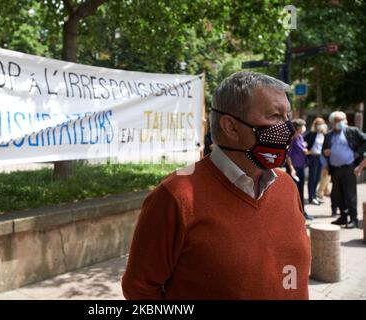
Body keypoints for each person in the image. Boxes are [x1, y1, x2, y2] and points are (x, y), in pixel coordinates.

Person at [121, 72, 310, 300]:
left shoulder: (286, 187)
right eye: (275, 116)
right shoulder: (175, 196)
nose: (287, 128)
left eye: (287, 116)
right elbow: (140, 289)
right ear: (231, 127)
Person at [323, 111, 366, 228]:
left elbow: (365, 141)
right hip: (335, 169)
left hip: (349, 167)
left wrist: (357, 153)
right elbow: (324, 150)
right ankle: (343, 217)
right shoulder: (329, 135)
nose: (340, 123)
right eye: (337, 121)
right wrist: (325, 152)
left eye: (342, 120)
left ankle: (354, 219)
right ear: (332, 123)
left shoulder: (352, 131)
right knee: (338, 194)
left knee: (350, 194)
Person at [287, 118, 313, 220]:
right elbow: (288, 155)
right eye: (303, 126)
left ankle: (302, 212)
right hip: (294, 169)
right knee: (295, 192)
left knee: (301, 191)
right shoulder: (292, 139)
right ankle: (294, 213)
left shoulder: (300, 137)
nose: (304, 128)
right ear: (297, 128)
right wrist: (292, 169)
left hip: (301, 167)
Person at [304, 118, 327, 205]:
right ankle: (311, 197)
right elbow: (302, 141)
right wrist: (307, 151)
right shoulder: (312, 133)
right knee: (312, 177)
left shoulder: (324, 134)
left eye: (321, 123)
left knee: (317, 178)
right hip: (313, 157)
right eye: (318, 123)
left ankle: (315, 196)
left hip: (320, 157)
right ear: (315, 125)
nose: (320, 125)